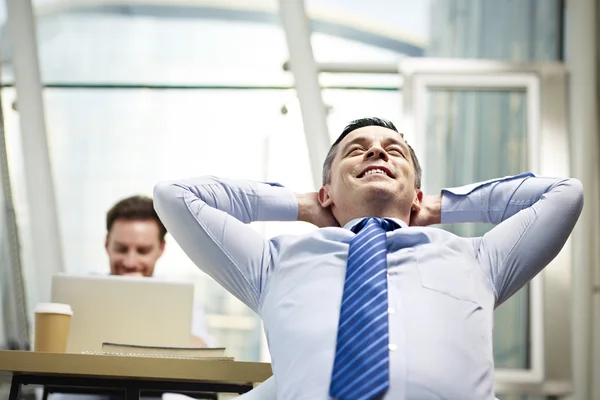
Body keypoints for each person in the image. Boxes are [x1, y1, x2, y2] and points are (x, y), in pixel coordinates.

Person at [153, 117, 584, 400]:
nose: (377, 152)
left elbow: (564, 195)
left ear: (416, 193)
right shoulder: (274, 261)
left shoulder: (478, 259)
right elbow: (175, 197)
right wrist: (303, 205)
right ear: (326, 191)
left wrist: (437, 207)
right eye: (356, 150)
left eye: (393, 151)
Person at [105, 195, 215, 347]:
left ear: (161, 249)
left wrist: (143, 303)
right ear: (106, 244)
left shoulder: (179, 298)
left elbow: (204, 349)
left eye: (143, 251)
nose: (130, 262)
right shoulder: (79, 293)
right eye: (121, 249)